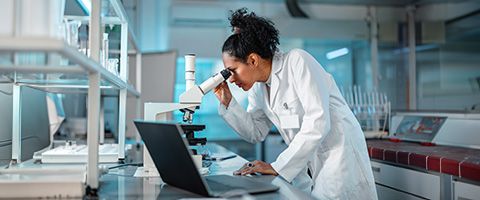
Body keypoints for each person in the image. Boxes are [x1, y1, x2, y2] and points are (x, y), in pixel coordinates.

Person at [214, 8, 378, 199]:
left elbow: (318, 122)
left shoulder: (297, 61)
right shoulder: (259, 88)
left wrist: (276, 166)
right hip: (309, 166)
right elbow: (255, 131)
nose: (231, 79)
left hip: (338, 159)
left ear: (252, 59)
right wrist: (228, 102)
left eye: (232, 70)